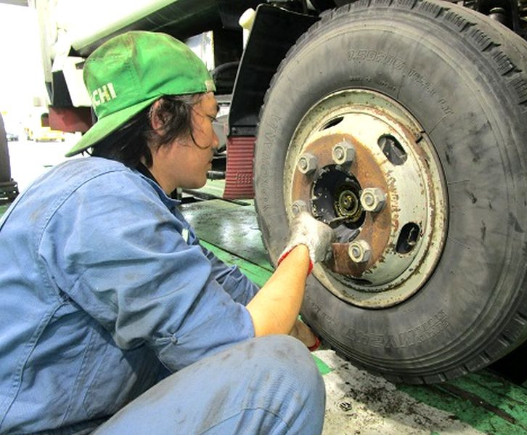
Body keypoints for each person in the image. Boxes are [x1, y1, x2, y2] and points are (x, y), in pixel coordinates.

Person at [0, 31, 335, 434]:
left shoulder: (120, 193)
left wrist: (316, 334)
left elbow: (222, 285)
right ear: (160, 117)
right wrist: (303, 247)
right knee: (282, 378)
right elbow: (236, 340)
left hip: (72, 411)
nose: (216, 139)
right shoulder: (108, 205)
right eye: (210, 118)